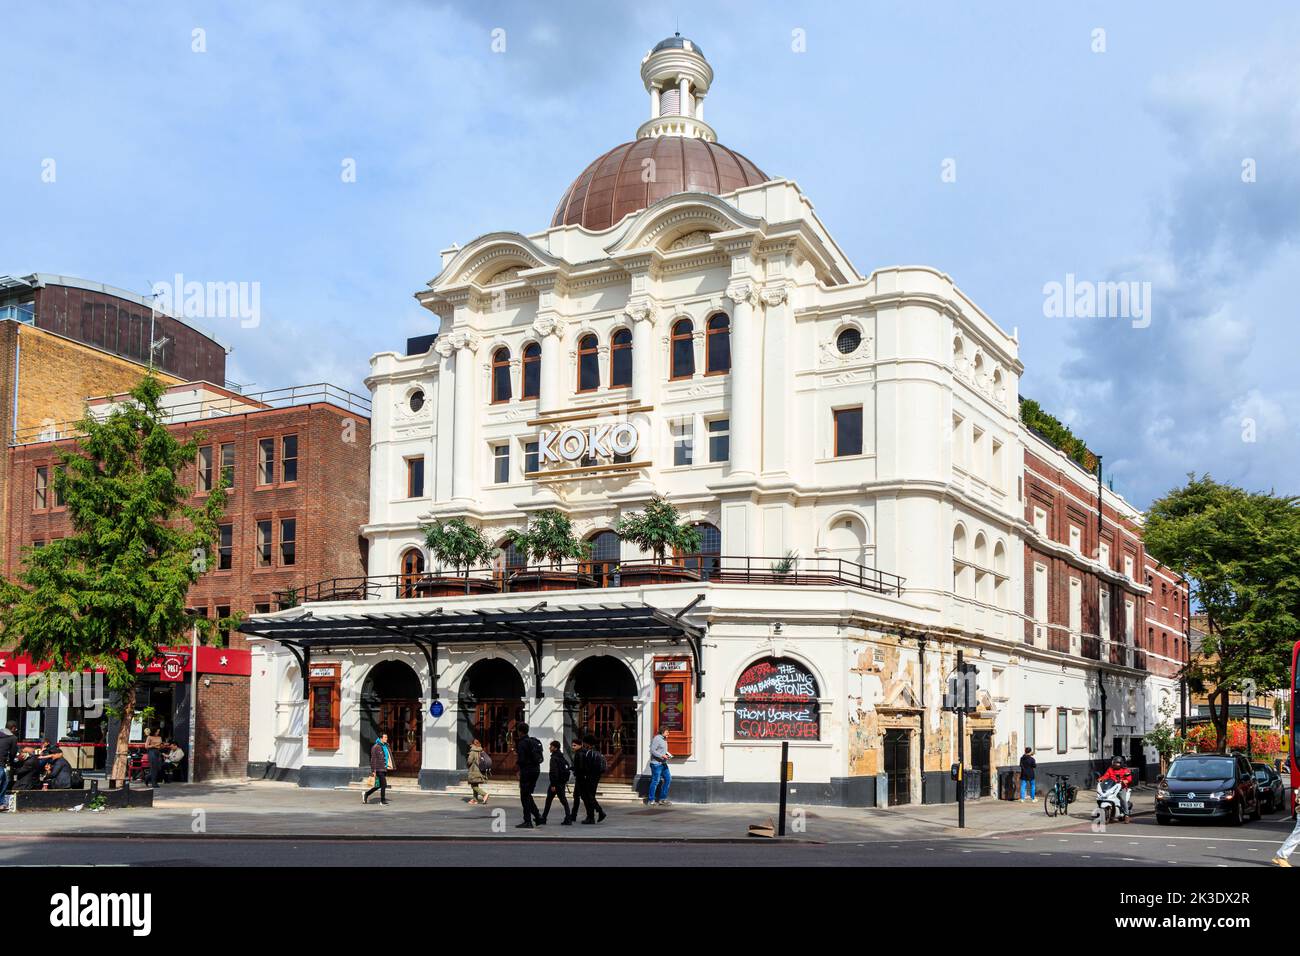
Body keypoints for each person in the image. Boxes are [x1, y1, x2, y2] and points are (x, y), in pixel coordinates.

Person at [514, 722, 544, 828]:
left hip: (527, 771)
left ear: (520, 731)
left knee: (524, 796)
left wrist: (518, 771)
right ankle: (538, 817)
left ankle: (528, 821)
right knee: (527, 795)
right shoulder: (534, 741)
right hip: (536, 770)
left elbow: (521, 759)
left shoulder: (522, 743)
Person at [541, 740, 572, 825]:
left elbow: (553, 772)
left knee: (549, 801)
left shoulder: (554, 758)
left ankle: (544, 818)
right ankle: (568, 818)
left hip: (555, 783)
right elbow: (567, 767)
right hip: (561, 783)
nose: (549, 748)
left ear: (555, 748)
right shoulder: (562, 757)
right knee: (563, 801)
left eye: (551, 746)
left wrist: (553, 784)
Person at [578, 733, 606, 824]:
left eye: (585, 743)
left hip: (590, 778)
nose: (584, 745)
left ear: (588, 744)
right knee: (590, 797)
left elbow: (587, 767)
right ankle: (591, 816)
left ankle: (598, 812)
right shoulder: (597, 753)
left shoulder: (589, 753)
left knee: (588, 797)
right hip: (596, 778)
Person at [1098, 755, 1133, 822]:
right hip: (1111, 787)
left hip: (1121, 787)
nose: (1115, 764)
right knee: (1103, 796)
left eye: (1117, 763)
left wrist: (1125, 781)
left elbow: (1129, 778)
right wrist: (1100, 779)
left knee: (1122, 798)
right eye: (1114, 762)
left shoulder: (1125, 770)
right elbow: (1106, 776)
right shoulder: (1110, 769)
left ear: (1121, 763)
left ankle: (1126, 815)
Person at [363, 732, 392, 805]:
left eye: (387, 737)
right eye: (385, 737)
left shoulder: (385, 746)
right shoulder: (375, 747)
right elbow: (373, 759)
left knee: (379, 785)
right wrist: (373, 770)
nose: (386, 739)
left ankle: (366, 794)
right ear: (381, 738)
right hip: (378, 769)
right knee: (384, 784)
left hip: (384, 768)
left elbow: (387, 757)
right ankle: (382, 800)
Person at [645, 729, 673, 806]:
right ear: (662, 732)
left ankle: (662, 799)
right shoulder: (657, 739)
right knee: (655, 781)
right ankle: (651, 800)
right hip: (656, 764)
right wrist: (662, 755)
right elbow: (652, 750)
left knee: (668, 779)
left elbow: (661, 750)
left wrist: (667, 755)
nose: (668, 733)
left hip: (663, 763)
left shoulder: (664, 739)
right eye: (667, 732)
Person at [566, 738, 585, 824]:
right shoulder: (580, 753)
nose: (572, 747)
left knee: (582, 797)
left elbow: (580, 767)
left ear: (580, 745)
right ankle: (573, 815)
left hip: (581, 779)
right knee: (578, 797)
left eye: (574, 745)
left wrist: (573, 769)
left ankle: (574, 815)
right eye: (572, 745)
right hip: (581, 778)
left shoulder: (579, 754)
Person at [466, 738, 490, 805]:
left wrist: (467, 764)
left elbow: (469, 761)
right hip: (479, 770)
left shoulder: (472, 751)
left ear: (472, 744)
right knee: (475, 784)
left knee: (473, 786)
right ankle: (475, 800)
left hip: (474, 770)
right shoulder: (480, 750)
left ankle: (484, 794)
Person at [0, 721, 18, 810]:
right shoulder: (13, 738)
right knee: (3, 780)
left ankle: (1, 803)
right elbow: (13, 753)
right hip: (0, 762)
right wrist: (11, 762)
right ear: (13, 728)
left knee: (4, 781)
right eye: (16, 729)